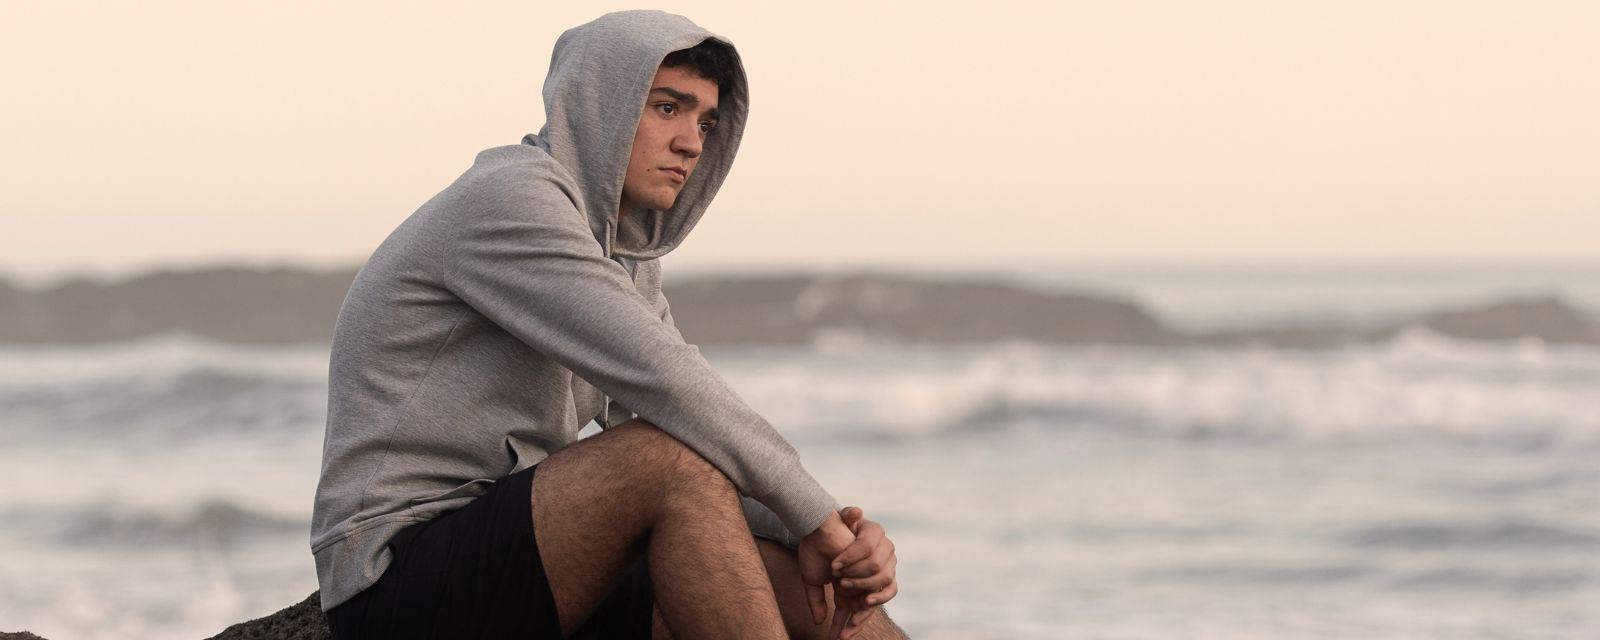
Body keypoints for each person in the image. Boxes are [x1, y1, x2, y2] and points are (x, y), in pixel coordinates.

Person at [309, 10, 905, 640]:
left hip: (537, 554)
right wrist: (813, 516)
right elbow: (670, 387)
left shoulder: (622, 257)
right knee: (664, 459)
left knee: (816, 590)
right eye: (668, 108)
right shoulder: (510, 200)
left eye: (705, 121)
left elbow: (697, 424)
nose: (693, 143)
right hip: (396, 575)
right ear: (602, 105)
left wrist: (836, 540)